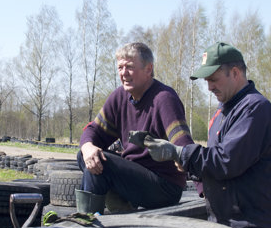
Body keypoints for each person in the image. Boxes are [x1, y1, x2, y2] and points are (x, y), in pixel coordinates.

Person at [132, 42, 271, 228]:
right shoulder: (222, 114)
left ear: (235, 73)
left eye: (213, 79)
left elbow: (225, 161)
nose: (209, 87)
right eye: (206, 81)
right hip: (224, 226)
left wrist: (181, 154)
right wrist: (187, 164)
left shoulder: (254, 109)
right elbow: (214, 165)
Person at [77, 42, 195, 214]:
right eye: (120, 67)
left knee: (102, 164)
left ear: (148, 69)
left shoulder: (164, 99)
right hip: (134, 178)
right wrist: (88, 147)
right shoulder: (119, 97)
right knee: (86, 156)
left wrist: (202, 187)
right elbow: (93, 131)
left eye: (130, 67)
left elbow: (184, 145)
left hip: (164, 186)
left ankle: (86, 219)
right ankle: (118, 206)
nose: (124, 73)